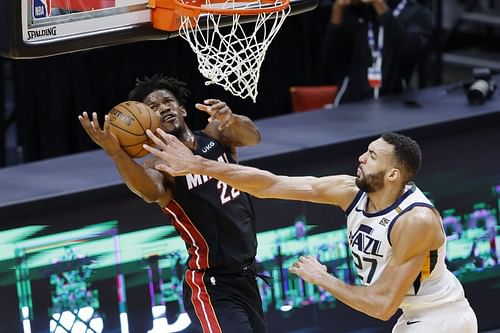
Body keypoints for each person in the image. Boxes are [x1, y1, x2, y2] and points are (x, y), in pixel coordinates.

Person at [143, 130, 478, 332]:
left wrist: (322, 278)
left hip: (441, 318)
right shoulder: (349, 190)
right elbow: (270, 184)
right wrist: (198, 165)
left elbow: (380, 306)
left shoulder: (415, 221)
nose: (361, 157)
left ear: (392, 175)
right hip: (414, 317)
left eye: (372, 155)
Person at [78, 74, 267, 333]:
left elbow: (253, 137)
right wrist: (116, 153)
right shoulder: (160, 166)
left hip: (247, 276)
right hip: (213, 286)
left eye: (168, 101)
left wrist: (231, 118)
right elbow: (149, 191)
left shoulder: (216, 136)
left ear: (182, 109)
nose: (163, 107)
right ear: (147, 123)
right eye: (153, 107)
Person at [323, 0, 433, 106]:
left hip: (395, 103)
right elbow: (330, 56)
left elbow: (408, 48)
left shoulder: (417, 13)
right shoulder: (355, 11)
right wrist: (338, 8)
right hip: (351, 104)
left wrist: (379, 4)